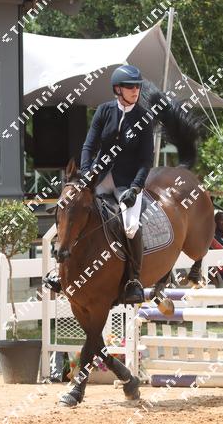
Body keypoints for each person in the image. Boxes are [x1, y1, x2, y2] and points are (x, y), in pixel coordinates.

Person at [43, 64, 154, 302]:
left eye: (137, 86)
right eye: (130, 86)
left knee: (130, 226)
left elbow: (146, 160)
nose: (135, 90)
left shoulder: (144, 118)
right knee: (73, 210)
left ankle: (134, 280)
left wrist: (136, 188)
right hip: (99, 178)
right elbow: (89, 146)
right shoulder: (104, 111)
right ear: (118, 89)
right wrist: (86, 174)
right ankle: (59, 272)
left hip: (128, 183)